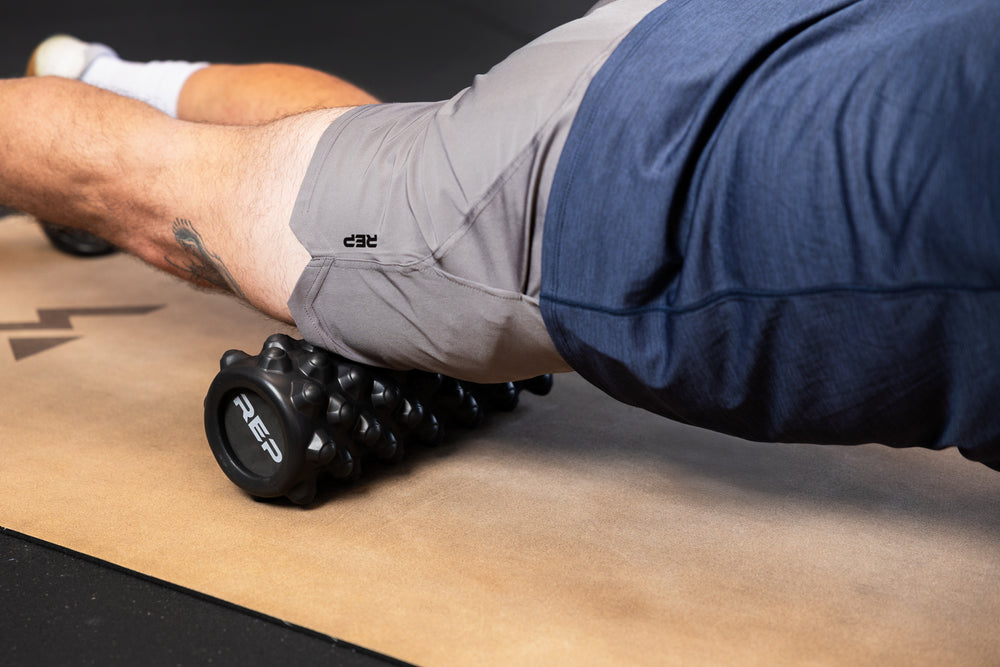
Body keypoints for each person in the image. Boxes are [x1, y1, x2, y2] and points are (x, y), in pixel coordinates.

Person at [1, 0, 998, 470]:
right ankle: (96, 108)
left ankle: (102, 79)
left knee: (392, 159)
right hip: (596, 178)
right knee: (191, 207)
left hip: (748, 39)